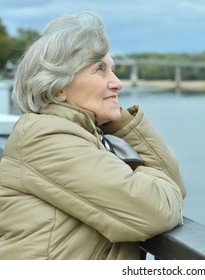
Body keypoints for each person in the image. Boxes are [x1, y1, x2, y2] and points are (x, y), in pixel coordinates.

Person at [0, 11, 186, 260]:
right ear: (58, 88)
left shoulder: (84, 134)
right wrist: (144, 176)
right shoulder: (45, 138)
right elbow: (155, 211)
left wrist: (121, 122)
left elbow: (176, 189)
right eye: (100, 69)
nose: (118, 82)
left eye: (113, 70)